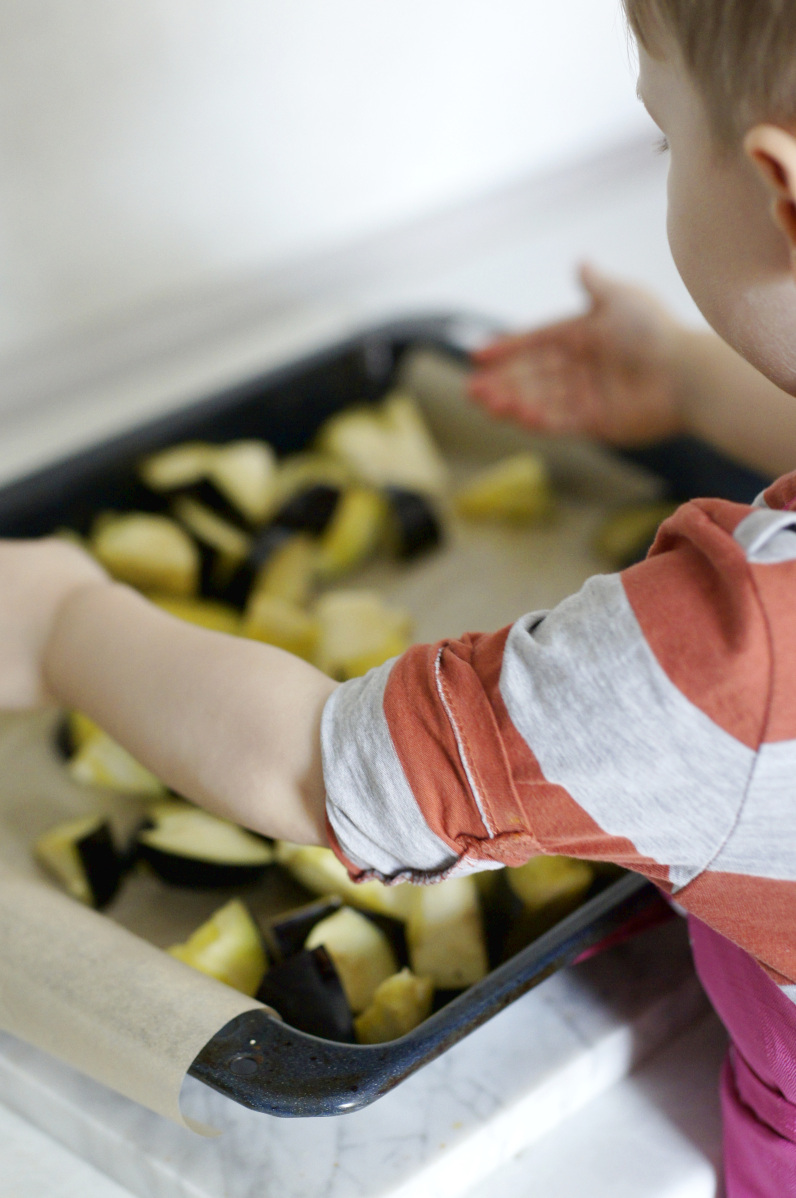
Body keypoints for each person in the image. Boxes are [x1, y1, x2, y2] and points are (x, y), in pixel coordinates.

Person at [1, 0, 796, 1190]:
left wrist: (66, 622)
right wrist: (688, 379)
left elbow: (320, 773)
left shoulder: (720, 662)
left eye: (660, 137)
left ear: (782, 192)